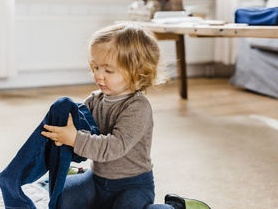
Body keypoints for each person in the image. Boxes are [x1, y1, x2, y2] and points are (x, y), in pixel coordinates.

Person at [41, 24, 210, 209]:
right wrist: (64, 131)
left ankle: (176, 207)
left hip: (132, 186)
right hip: (96, 179)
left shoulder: (138, 107)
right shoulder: (94, 100)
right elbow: (81, 127)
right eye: (95, 67)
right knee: (59, 199)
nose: (98, 75)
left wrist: (75, 139)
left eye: (108, 70)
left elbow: (115, 147)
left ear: (137, 71)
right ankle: (79, 175)